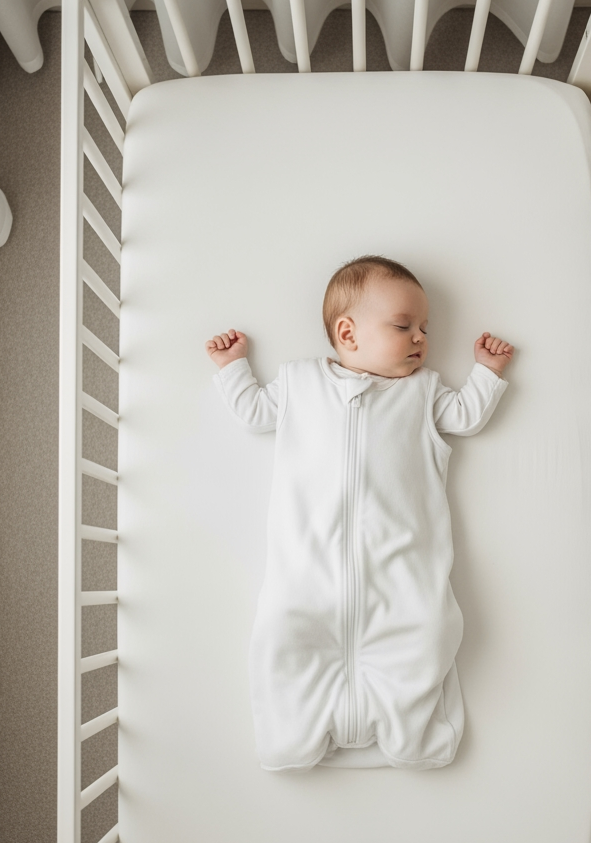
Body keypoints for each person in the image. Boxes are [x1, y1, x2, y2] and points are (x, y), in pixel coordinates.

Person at [206, 255, 513, 771]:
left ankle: (414, 733)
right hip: (306, 570)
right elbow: (256, 412)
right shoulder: (300, 384)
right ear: (347, 333)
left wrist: (487, 373)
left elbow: (465, 417)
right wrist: (233, 368)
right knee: (284, 634)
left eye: (424, 328)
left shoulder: (423, 393)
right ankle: (292, 737)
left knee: (424, 632)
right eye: (403, 325)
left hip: (401, 569)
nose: (421, 338)